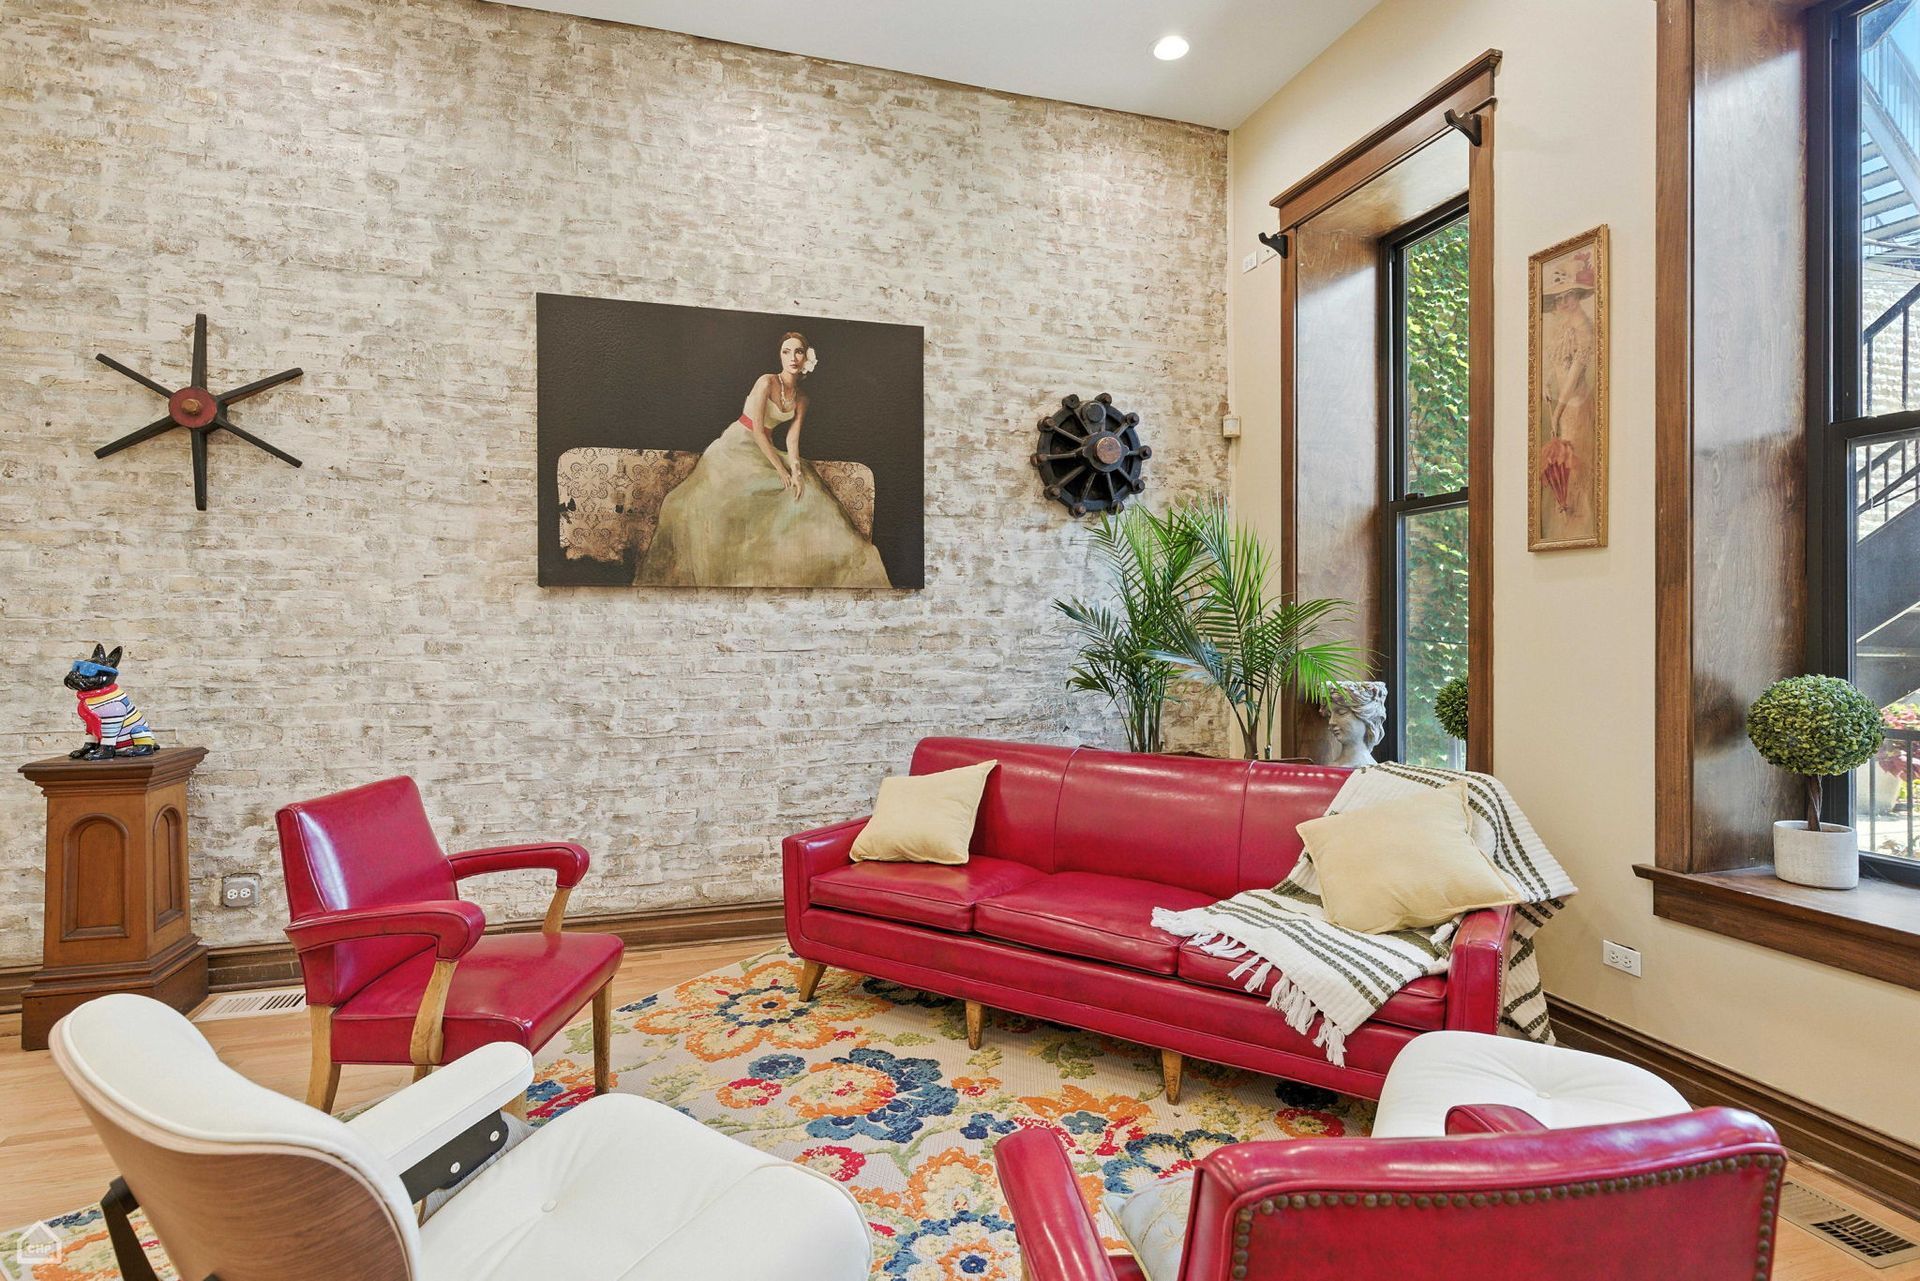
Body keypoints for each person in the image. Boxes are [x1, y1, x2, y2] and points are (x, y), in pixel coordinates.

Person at [635, 331, 892, 588]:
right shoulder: (766, 382)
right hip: (735, 447)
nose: (792, 358)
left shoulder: (802, 399)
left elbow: (792, 440)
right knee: (709, 504)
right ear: (780, 356)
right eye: (786, 352)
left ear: (806, 358)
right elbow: (757, 430)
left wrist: (796, 472)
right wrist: (780, 470)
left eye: (798, 352)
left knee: (806, 492)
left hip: (764, 450)